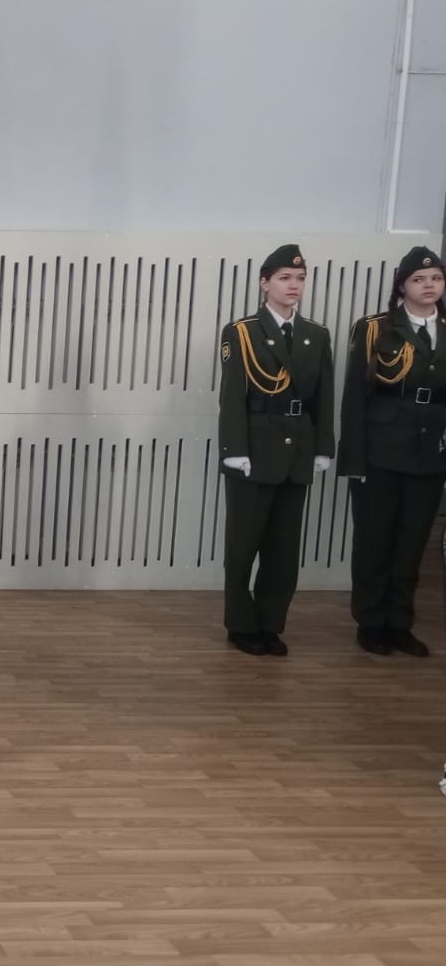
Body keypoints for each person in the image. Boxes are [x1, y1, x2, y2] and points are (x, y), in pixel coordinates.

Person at [217, 243, 334, 657]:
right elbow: (232, 396)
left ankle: (270, 623)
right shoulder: (242, 332)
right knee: (243, 546)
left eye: (300, 278)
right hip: (254, 450)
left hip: (297, 451)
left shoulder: (316, 334)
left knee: (283, 550)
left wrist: (323, 447)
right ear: (264, 283)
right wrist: (234, 449)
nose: (294, 285)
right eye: (285, 278)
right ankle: (241, 624)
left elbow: (324, 397)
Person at [335, 246, 446, 657]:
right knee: (374, 539)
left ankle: (399, 623)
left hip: (430, 452)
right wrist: (354, 458)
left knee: (412, 541)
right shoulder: (374, 329)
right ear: (402, 286)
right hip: (380, 450)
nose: (429, 285)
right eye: (419, 279)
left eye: (436, 278)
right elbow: (354, 396)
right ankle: (370, 622)